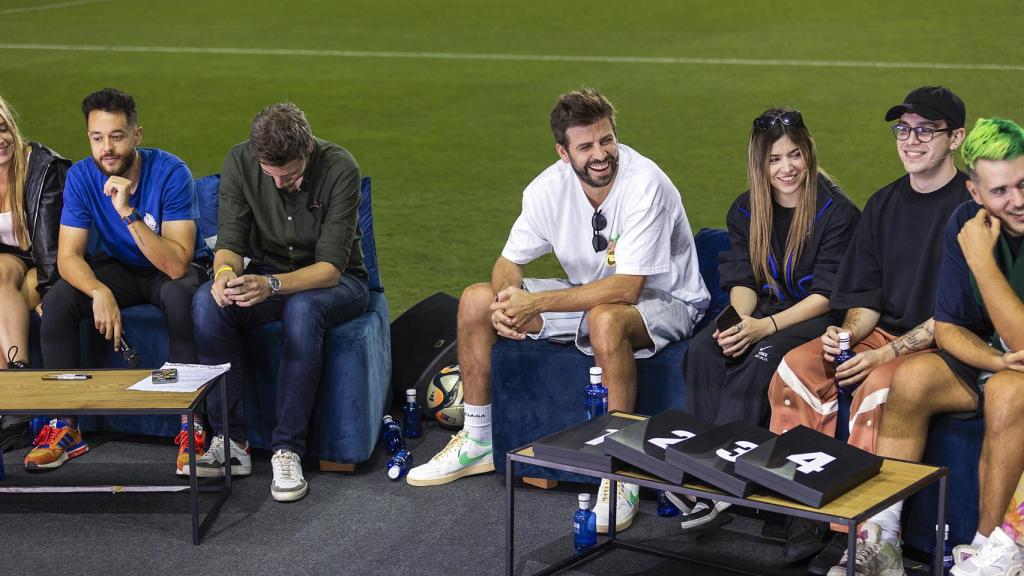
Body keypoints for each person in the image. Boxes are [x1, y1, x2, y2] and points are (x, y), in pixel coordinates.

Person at [405, 87, 710, 535]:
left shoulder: (646, 183)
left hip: (667, 301)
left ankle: (618, 471)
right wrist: (509, 301)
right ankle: (478, 438)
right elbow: (509, 261)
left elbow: (627, 288)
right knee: (476, 300)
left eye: (606, 140)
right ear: (563, 152)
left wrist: (539, 302)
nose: (601, 154)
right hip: (591, 291)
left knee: (607, 319)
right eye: (586, 146)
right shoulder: (547, 188)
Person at [759, 86, 969, 575]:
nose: (911, 140)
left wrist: (884, 355)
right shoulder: (884, 203)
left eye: (926, 130)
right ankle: (806, 510)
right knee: (797, 367)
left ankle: (863, 531)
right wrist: (847, 336)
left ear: (955, 137)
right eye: (904, 129)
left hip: (946, 342)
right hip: (885, 336)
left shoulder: (969, 207)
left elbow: (956, 317)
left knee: (878, 386)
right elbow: (864, 299)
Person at [846, 118, 1024, 576]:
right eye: (1001, 191)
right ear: (976, 194)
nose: (1018, 201)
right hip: (1003, 359)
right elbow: (948, 326)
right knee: (913, 376)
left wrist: (983, 263)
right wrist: (995, 359)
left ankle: (991, 552)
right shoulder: (964, 222)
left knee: (1007, 392)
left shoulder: (978, 242)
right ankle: (882, 539)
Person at [678, 109, 859, 557]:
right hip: (765, 313)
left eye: (794, 154)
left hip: (816, 318)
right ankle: (695, 469)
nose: (787, 168)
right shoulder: (746, 208)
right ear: (760, 165)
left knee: (762, 358)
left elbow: (827, 295)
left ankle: (718, 484)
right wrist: (739, 321)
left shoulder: (838, 213)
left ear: (808, 152)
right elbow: (743, 281)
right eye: (775, 159)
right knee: (705, 348)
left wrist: (764, 327)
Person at [191, 102, 368, 503]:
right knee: (207, 303)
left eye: (289, 176)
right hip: (268, 274)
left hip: (337, 283)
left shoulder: (341, 168)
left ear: (308, 150)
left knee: (304, 310)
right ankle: (230, 440)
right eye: (270, 175)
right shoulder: (239, 161)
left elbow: (330, 270)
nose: (278, 185)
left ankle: (288, 449)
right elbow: (230, 243)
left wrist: (270, 284)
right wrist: (223, 277)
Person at [31, 89, 211, 473]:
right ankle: (63, 424)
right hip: (120, 270)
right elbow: (67, 256)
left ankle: (190, 421)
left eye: (116, 136)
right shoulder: (81, 176)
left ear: (137, 136)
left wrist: (128, 212)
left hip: (167, 268)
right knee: (60, 302)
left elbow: (177, 264)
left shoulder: (171, 173)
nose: (106, 148)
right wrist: (99, 291)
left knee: (182, 297)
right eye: (97, 138)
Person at [0, 94, 70, 450]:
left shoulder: (42, 167)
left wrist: (51, 290)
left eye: (2, 128)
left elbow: (52, 246)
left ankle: (16, 389)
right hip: (9, 260)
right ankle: (12, 405)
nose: (0, 140)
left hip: (45, 263)